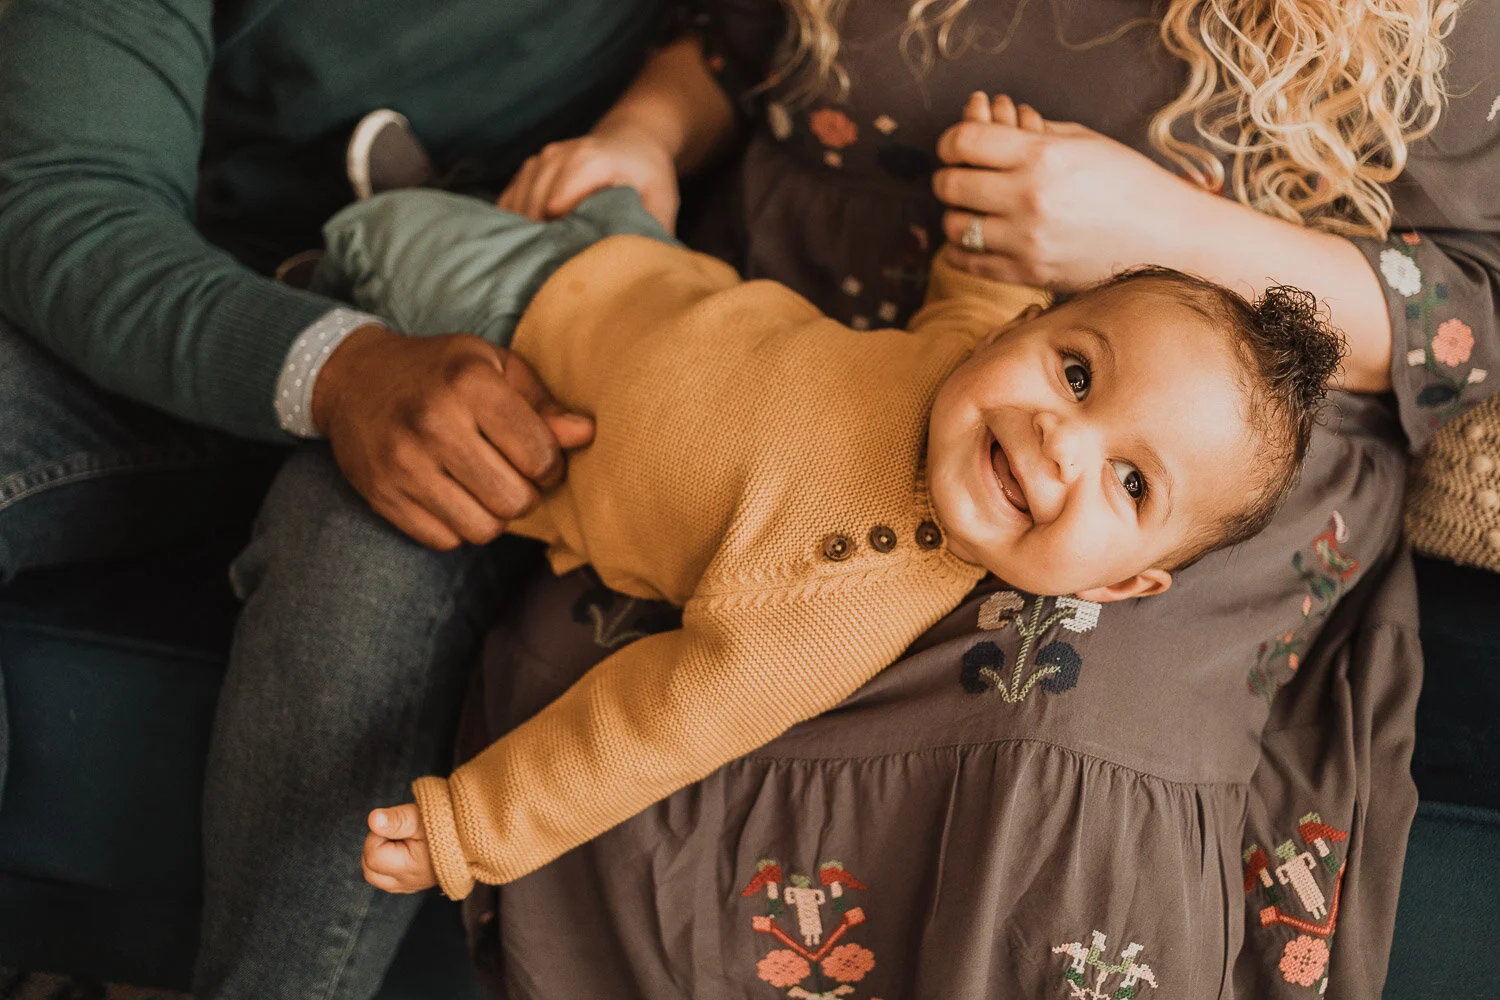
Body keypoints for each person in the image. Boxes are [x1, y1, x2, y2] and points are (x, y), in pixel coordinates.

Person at [451, 2, 1496, 997]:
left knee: (1052, 728)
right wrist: (642, 134)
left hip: (1200, 440)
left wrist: (1163, 230)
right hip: (849, 341)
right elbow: (739, 37)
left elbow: (1466, 316)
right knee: (628, 641)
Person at [287, 126, 1340, 893]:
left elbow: (649, 729)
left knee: (383, 239)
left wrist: (472, 828)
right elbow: (973, 290)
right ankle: (435, 193)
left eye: (1132, 482)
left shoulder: (839, 602)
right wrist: (986, 211)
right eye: (1075, 371)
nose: (1065, 437)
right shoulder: (965, 358)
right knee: (583, 198)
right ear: (1024, 331)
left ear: (1121, 583)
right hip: (642, 265)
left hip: (518, 346)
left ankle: (331, 257)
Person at [0, 0, 669, 995]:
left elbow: (762, 48)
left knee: (383, 535)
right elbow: (66, 194)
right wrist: (340, 369)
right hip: (201, 289)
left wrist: (654, 126)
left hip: (523, 346)